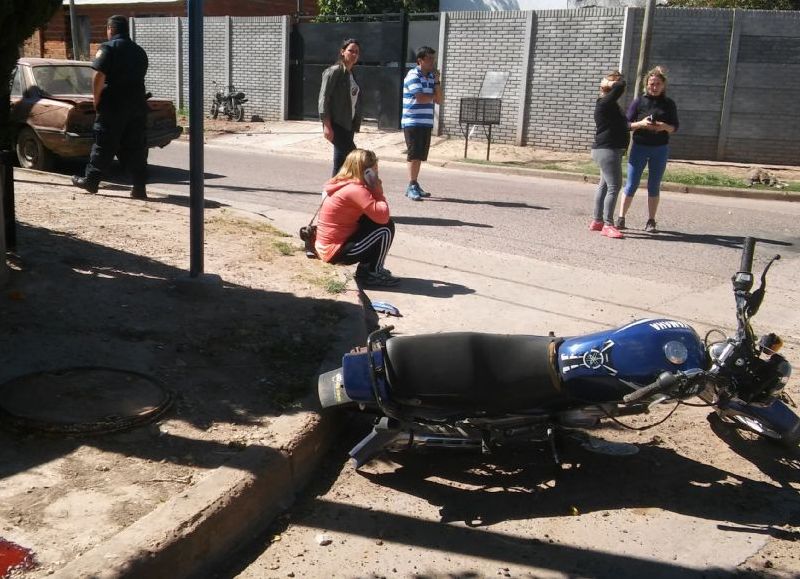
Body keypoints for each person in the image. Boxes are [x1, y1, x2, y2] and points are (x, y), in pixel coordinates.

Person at [72, 15, 149, 200]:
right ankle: (139, 188)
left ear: (111, 29)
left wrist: (96, 100)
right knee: (136, 146)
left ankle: (91, 181)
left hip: (114, 105)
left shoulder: (108, 48)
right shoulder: (139, 51)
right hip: (137, 105)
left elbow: (99, 76)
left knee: (104, 143)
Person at [315, 149, 398, 287]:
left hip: (326, 246)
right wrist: (378, 192)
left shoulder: (340, 183)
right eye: (375, 169)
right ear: (367, 172)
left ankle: (367, 269)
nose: (377, 173)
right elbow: (383, 216)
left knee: (372, 221)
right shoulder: (356, 190)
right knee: (386, 227)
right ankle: (373, 273)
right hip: (334, 251)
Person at [616, 66, 679, 232]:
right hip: (640, 147)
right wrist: (641, 124)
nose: (654, 87)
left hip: (660, 148)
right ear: (646, 85)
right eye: (651, 84)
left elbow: (675, 127)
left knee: (654, 185)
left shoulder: (669, 104)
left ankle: (651, 221)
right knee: (632, 183)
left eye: (657, 84)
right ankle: (621, 217)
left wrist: (664, 126)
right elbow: (626, 124)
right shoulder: (639, 101)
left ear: (663, 85)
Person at [589, 71, 628, 239]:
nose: (618, 84)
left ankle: (597, 221)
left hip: (609, 149)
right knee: (614, 187)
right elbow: (620, 86)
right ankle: (608, 225)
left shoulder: (609, 104)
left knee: (604, 186)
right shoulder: (605, 102)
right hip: (608, 150)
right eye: (614, 82)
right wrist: (610, 83)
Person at [401, 46, 442, 201]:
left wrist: (437, 82)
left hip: (425, 121)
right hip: (412, 121)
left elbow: (439, 99)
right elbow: (421, 98)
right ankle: (411, 185)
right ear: (420, 60)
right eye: (429, 59)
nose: (432, 62)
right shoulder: (413, 75)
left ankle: (415, 184)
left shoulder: (431, 77)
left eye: (433, 58)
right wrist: (433, 94)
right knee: (414, 155)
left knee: (420, 155)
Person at [318, 38, 363, 177]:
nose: (354, 54)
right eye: (351, 50)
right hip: (336, 124)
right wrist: (327, 125)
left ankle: (333, 193)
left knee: (340, 162)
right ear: (342, 52)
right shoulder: (334, 71)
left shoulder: (351, 73)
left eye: (357, 52)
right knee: (357, 159)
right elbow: (323, 98)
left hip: (348, 124)